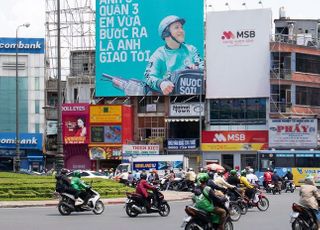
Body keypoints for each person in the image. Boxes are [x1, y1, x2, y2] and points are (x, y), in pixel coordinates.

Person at [144, 15, 204, 95]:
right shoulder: (158, 55)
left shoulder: (191, 50)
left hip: (194, 96)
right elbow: (148, 76)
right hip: (168, 98)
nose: (181, 30)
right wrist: (161, 83)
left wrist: (196, 69)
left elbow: (203, 68)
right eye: (177, 27)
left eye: (182, 27)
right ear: (166, 33)